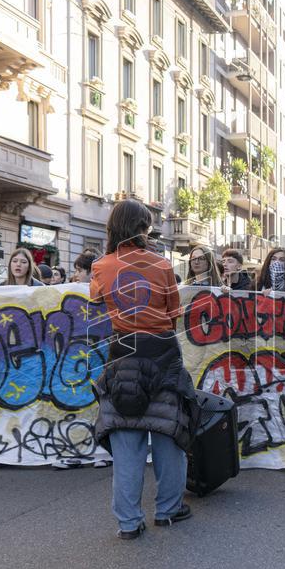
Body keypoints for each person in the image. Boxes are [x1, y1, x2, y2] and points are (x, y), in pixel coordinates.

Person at [91, 200, 198, 539]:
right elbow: (173, 313)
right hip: (163, 353)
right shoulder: (162, 264)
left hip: (122, 352)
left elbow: (96, 304)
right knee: (168, 432)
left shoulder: (101, 266)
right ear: (142, 227)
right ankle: (168, 510)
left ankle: (128, 522)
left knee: (126, 441)